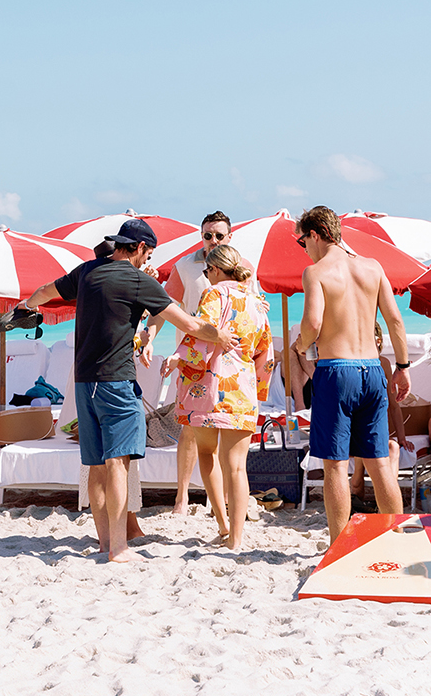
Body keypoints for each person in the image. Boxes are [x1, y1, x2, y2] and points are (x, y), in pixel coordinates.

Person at [26, 217, 237, 563]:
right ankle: (120, 549)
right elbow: (190, 323)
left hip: (83, 382)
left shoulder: (87, 271)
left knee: (94, 466)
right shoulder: (139, 281)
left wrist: (26, 306)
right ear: (139, 248)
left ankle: (106, 543)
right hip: (116, 383)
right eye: (148, 254)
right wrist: (221, 336)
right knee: (118, 464)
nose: (148, 262)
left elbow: (45, 292)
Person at [296, 204, 411, 542]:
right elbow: (395, 322)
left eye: (302, 241)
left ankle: (339, 545)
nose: (304, 248)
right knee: (377, 463)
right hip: (372, 369)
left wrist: (301, 346)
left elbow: (313, 324)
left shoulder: (315, 272)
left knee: (334, 464)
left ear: (315, 234)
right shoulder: (372, 267)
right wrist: (402, 368)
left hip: (337, 371)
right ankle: (395, 538)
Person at [163, 243, 274, 550]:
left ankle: (223, 526)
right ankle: (236, 539)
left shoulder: (213, 294)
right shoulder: (257, 301)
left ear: (214, 269)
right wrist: (258, 386)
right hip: (243, 388)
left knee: (206, 453)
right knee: (237, 466)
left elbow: (202, 330)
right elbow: (265, 352)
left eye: (207, 270)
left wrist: (178, 357)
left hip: (209, 387)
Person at [162, 211, 232, 516]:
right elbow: (162, 307)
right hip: (192, 359)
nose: (212, 240)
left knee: (228, 428)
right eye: (207, 235)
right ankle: (181, 497)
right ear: (200, 236)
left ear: (230, 237)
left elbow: (251, 306)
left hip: (230, 359)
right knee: (189, 429)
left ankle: (221, 499)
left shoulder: (242, 267)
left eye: (219, 235)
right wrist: (148, 337)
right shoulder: (185, 267)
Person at [349, 323, 413, 509]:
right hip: (356, 434)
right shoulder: (351, 364)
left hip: (375, 435)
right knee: (372, 447)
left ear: (378, 341)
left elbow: (394, 406)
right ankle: (362, 493)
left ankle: (379, 502)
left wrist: (402, 438)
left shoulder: (383, 364)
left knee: (393, 447)